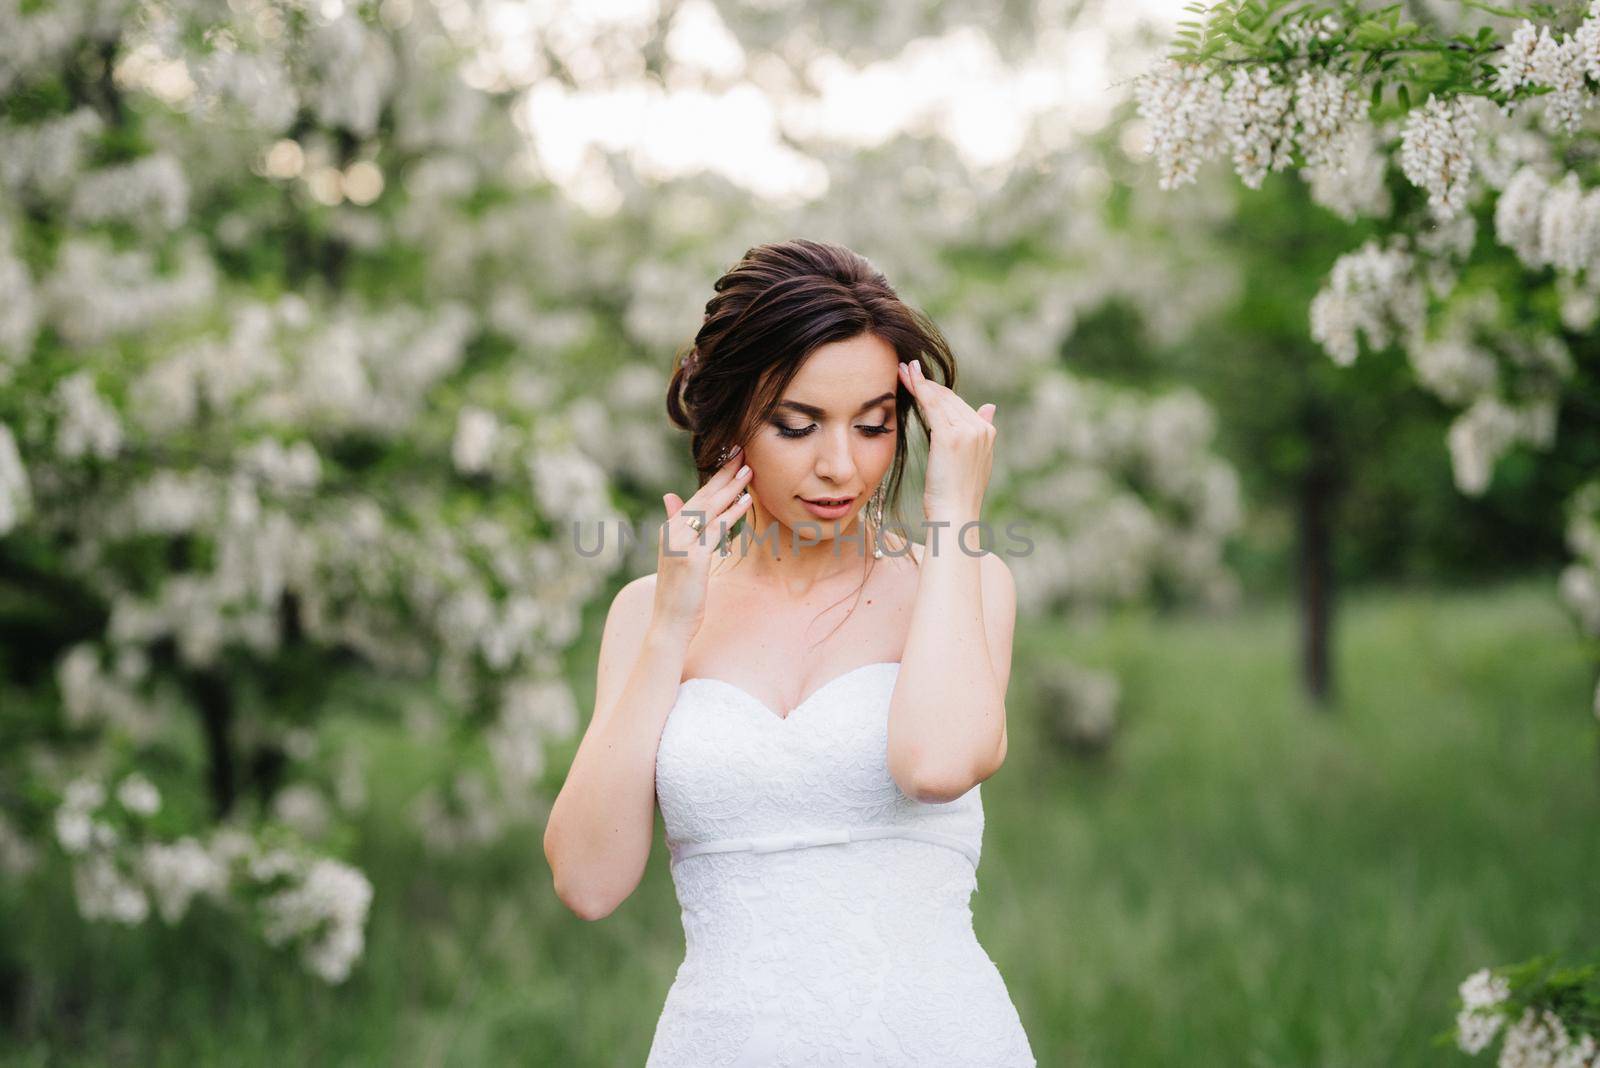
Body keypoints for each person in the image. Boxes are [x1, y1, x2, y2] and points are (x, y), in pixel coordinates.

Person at [543, 238, 1036, 1066]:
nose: (841, 466)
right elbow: (588, 883)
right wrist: (671, 624)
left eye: (875, 426)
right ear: (735, 417)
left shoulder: (964, 584)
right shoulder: (647, 613)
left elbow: (937, 764)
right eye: (797, 425)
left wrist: (953, 516)